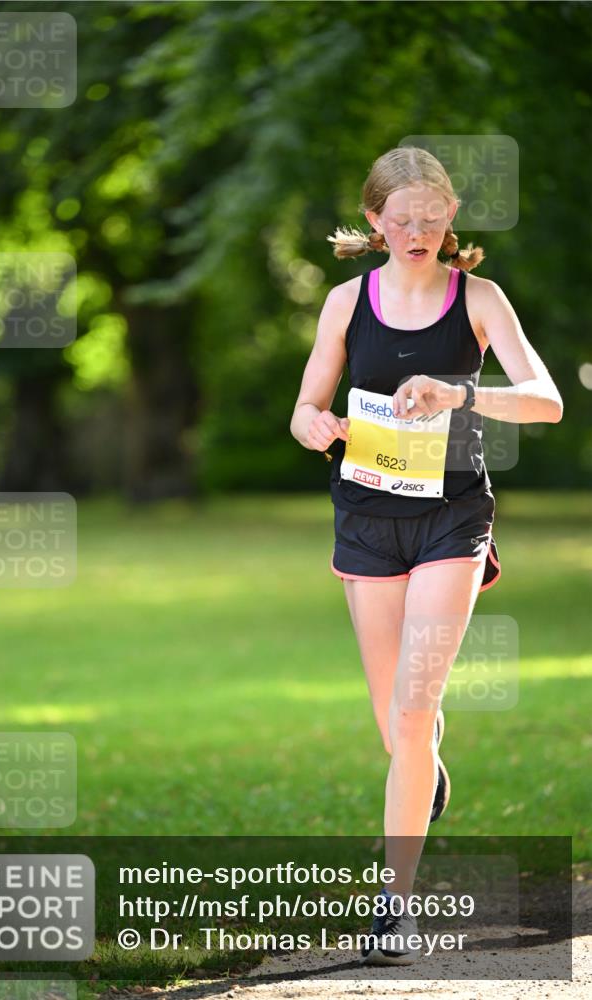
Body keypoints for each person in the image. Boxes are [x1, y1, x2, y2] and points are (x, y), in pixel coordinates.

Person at [289, 145, 563, 964]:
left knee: (411, 713)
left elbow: (546, 401)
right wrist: (313, 425)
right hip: (367, 520)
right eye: (401, 218)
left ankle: (394, 905)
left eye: (432, 217)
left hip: (451, 517)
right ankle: (423, 766)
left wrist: (460, 392)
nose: (417, 230)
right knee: (397, 729)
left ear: (451, 221)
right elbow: (306, 404)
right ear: (373, 221)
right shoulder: (344, 303)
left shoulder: (477, 297)